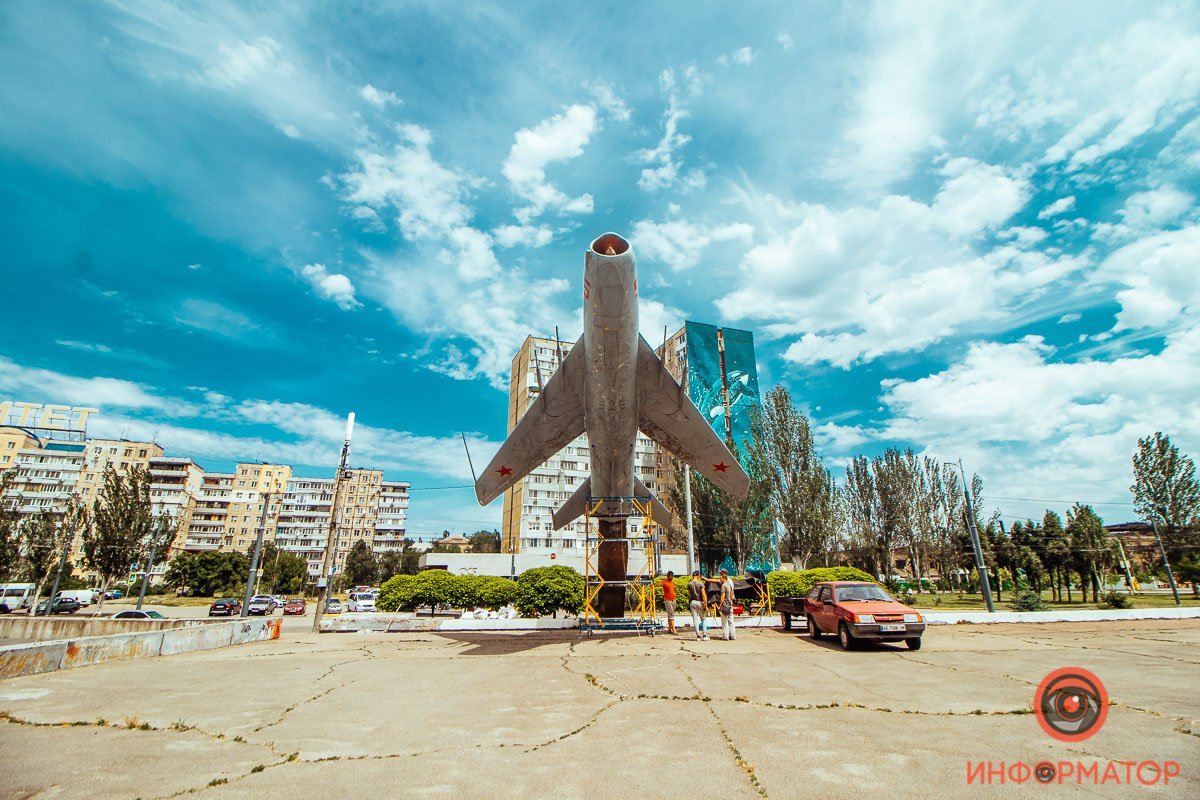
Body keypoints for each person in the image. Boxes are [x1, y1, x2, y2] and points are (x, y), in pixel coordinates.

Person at [688, 570, 709, 640]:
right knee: (703, 618)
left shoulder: (689, 584)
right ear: (698, 576)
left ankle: (698, 636)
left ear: (692, 576)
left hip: (693, 602)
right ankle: (705, 635)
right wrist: (706, 605)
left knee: (695, 619)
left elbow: (689, 594)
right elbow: (703, 595)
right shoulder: (700, 584)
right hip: (700, 602)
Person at [718, 568, 736, 641]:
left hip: (725, 605)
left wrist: (720, 606)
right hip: (730, 604)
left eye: (720, 577)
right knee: (731, 621)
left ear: (723, 576)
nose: (720, 578)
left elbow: (722, 597)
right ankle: (733, 636)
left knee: (724, 621)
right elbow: (732, 594)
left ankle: (725, 636)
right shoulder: (730, 584)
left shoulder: (723, 586)